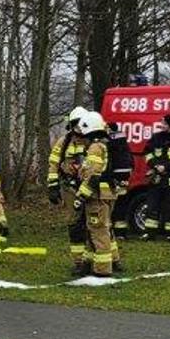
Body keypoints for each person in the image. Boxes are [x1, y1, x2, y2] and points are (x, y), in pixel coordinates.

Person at [72, 111, 118, 277]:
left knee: (99, 231)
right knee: (97, 230)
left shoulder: (95, 147)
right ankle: (91, 263)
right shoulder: (103, 145)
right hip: (103, 194)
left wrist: (81, 196)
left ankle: (102, 270)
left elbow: (93, 175)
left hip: (96, 196)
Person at [47, 106, 90, 270]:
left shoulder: (92, 141)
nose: (77, 128)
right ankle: (78, 261)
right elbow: (53, 164)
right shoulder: (64, 142)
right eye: (75, 124)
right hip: (70, 188)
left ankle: (92, 258)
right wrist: (53, 187)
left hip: (89, 187)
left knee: (92, 222)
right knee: (74, 223)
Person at [142, 114, 170, 239]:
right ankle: (150, 233)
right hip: (156, 178)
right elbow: (147, 153)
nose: (162, 125)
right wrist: (155, 166)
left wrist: (165, 167)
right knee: (152, 205)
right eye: (161, 123)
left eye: (164, 124)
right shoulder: (156, 137)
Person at [106, 122, 135, 241]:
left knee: (112, 203)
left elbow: (108, 160)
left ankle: (111, 230)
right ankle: (121, 232)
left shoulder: (110, 142)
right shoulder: (123, 140)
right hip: (125, 175)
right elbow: (130, 158)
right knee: (122, 202)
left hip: (115, 174)